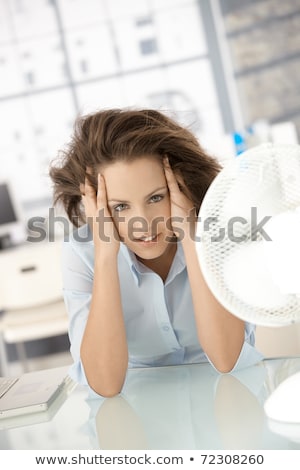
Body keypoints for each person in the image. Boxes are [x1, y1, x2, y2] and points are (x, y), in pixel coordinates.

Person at [49, 108, 263, 397]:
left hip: (230, 399)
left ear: (182, 187)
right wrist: (105, 257)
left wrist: (190, 235)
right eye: (120, 206)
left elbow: (227, 359)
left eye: (156, 197)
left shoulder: (217, 232)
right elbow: (105, 384)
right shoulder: (82, 254)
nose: (143, 223)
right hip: (138, 408)